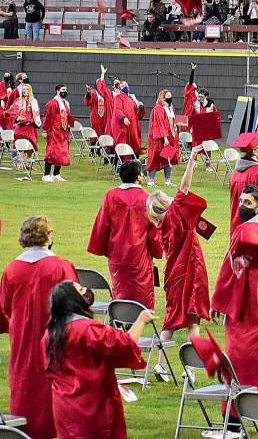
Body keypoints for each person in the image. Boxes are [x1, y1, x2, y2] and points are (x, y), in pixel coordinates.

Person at [210, 183, 258, 424]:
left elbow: (233, 268)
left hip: (245, 303)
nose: (241, 206)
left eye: (247, 203)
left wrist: (218, 301)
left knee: (238, 358)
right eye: (241, 201)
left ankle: (232, 418)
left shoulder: (244, 232)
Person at [44, 281, 152, 439]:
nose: (86, 292)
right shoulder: (89, 330)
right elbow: (125, 345)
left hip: (64, 407)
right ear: (73, 300)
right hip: (93, 406)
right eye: (81, 290)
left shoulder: (49, 335)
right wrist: (141, 320)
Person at [0, 216, 77, 438]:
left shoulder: (12, 270)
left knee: (25, 390)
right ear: (49, 237)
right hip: (56, 340)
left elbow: (4, 307)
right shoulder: (61, 267)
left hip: (23, 340)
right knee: (53, 396)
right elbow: (75, 306)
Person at [146, 149, 210, 342]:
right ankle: (189, 370)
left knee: (171, 319)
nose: (171, 197)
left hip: (173, 273)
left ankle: (160, 364)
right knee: (194, 319)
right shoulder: (174, 215)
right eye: (166, 197)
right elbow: (184, 187)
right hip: (191, 268)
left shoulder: (159, 225)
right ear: (164, 205)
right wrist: (191, 160)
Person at [88, 160, 162, 308]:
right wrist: (157, 249)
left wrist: (102, 248)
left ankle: (121, 318)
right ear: (139, 176)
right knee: (141, 292)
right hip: (139, 254)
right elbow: (153, 232)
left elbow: (102, 224)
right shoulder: (146, 198)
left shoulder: (111, 196)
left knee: (120, 288)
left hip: (117, 253)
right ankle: (136, 323)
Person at [40, 83, 72, 182]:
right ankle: (46, 174)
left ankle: (56, 173)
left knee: (61, 152)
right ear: (57, 91)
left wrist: (70, 126)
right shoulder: (52, 103)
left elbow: (68, 116)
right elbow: (47, 117)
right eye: (63, 89)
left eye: (66, 89)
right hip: (54, 131)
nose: (64, 91)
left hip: (63, 131)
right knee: (51, 152)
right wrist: (45, 130)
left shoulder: (66, 103)